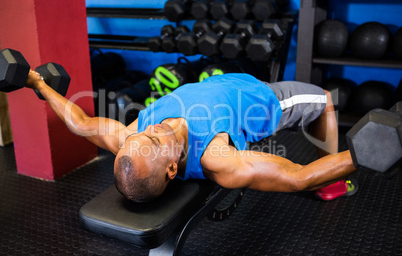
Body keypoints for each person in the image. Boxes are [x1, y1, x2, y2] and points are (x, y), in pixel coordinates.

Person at [26, 69, 358, 203]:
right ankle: (329, 183)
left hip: (220, 82)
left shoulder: (132, 136)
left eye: (140, 136)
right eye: (153, 140)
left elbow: (82, 123)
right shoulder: (217, 159)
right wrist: (363, 153)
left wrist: (38, 85)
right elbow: (296, 178)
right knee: (326, 101)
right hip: (263, 98)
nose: (150, 129)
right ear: (172, 169)